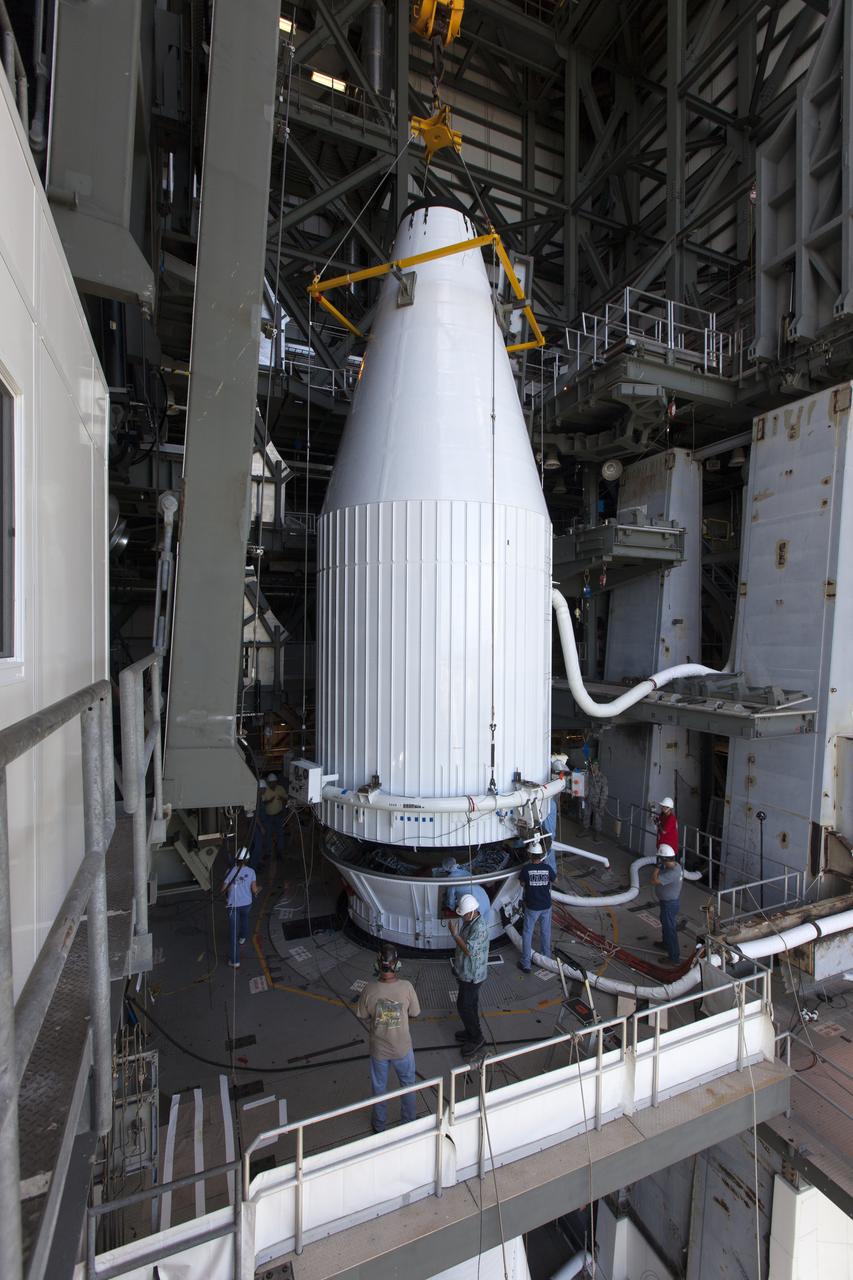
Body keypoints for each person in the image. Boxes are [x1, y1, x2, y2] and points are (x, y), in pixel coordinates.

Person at [356, 942, 421, 1133]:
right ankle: (408, 1121)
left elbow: (362, 1014)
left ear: (377, 964)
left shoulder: (369, 990)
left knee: (379, 1088)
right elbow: (415, 1013)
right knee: (408, 1086)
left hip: (379, 1051)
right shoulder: (406, 987)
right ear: (397, 964)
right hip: (402, 1049)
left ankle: (379, 1125)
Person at [449, 893, 489, 1058]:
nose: (462, 917)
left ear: (472, 912)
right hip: (467, 972)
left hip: (472, 976)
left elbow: (468, 951)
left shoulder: (479, 928)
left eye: (464, 914)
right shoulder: (471, 921)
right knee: (470, 1004)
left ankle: (476, 1038)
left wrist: (455, 935)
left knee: (465, 1006)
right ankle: (471, 1030)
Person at [517, 837, 556, 972]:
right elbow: (554, 879)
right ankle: (547, 960)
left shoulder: (526, 869)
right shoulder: (547, 868)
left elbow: (522, 883)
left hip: (532, 907)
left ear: (530, 854)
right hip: (546, 905)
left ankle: (526, 963)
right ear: (541, 855)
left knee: (527, 933)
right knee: (546, 932)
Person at [222, 847, 260, 968]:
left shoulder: (230, 871)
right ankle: (243, 937)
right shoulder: (251, 872)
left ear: (236, 859)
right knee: (244, 920)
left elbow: (223, 889)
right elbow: (254, 890)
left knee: (233, 933)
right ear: (247, 859)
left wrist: (228, 895)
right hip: (246, 904)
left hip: (233, 905)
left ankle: (235, 961)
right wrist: (258, 890)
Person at [651, 843, 682, 964]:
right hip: (667, 903)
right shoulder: (676, 866)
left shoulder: (673, 872)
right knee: (666, 924)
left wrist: (657, 867)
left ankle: (674, 958)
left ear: (663, 859)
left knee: (670, 930)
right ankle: (665, 944)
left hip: (669, 904)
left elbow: (654, 880)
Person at [441, 855, 491, 922]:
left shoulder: (450, 878)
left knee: (475, 924)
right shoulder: (464, 871)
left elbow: (451, 899)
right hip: (485, 899)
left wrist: (451, 908)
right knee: (485, 923)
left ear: (446, 870)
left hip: (475, 907)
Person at [261, 772, 288, 858]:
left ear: (276, 782)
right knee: (268, 834)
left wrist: (282, 798)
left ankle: (280, 851)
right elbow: (262, 803)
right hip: (268, 816)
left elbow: (286, 798)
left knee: (280, 833)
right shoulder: (265, 790)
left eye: (274, 783)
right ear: (268, 783)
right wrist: (269, 801)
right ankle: (268, 852)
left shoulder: (280, 788)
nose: (273, 784)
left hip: (278, 815)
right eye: (271, 783)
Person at [584, 760, 608, 843]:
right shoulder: (590, 776)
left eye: (593, 766)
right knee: (586, 815)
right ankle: (585, 830)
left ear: (597, 766)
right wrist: (585, 796)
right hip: (589, 800)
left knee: (598, 819)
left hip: (597, 802)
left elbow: (604, 792)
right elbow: (586, 787)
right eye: (591, 766)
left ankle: (597, 834)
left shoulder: (602, 778)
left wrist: (601, 804)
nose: (592, 767)